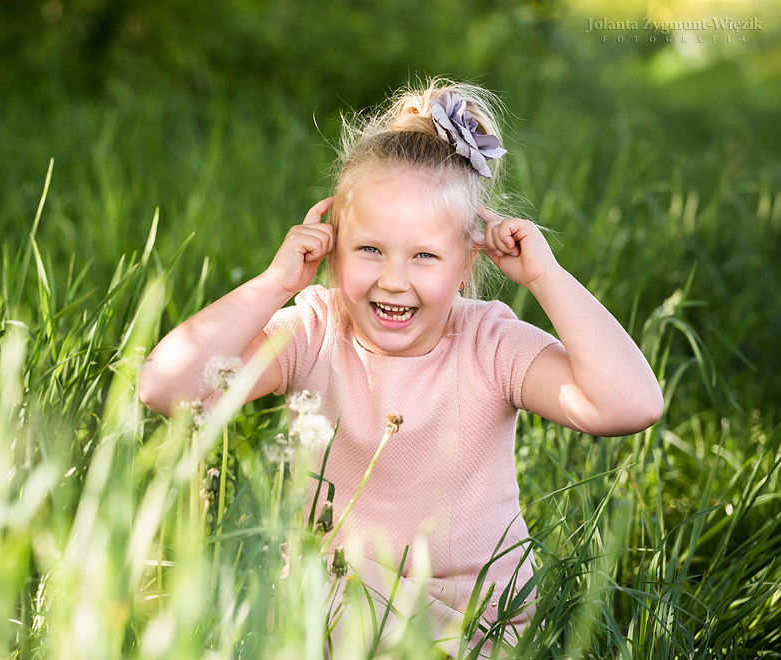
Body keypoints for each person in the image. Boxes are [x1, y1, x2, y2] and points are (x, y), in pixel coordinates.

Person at [138, 78, 664, 654]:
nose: (394, 279)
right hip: (336, 601)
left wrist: (547, 278)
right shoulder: (314, 330)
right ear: (330, 247)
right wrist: (275, 284)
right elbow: (166, 387)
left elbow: (629, 405)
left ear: (468, 260)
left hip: (474, 623)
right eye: (369, 249)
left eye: (425, 256)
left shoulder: (488, 344)